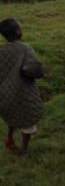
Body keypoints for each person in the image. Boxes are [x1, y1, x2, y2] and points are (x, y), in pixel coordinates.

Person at [0, 18, 44, 155]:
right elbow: (33, 70)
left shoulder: (1, 51)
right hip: (23, 94)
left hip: (5, 95)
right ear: (18, 31)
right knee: (27, 122)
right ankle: (24, 149)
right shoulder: (25, 49)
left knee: (11, 115)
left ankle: (9, 138)